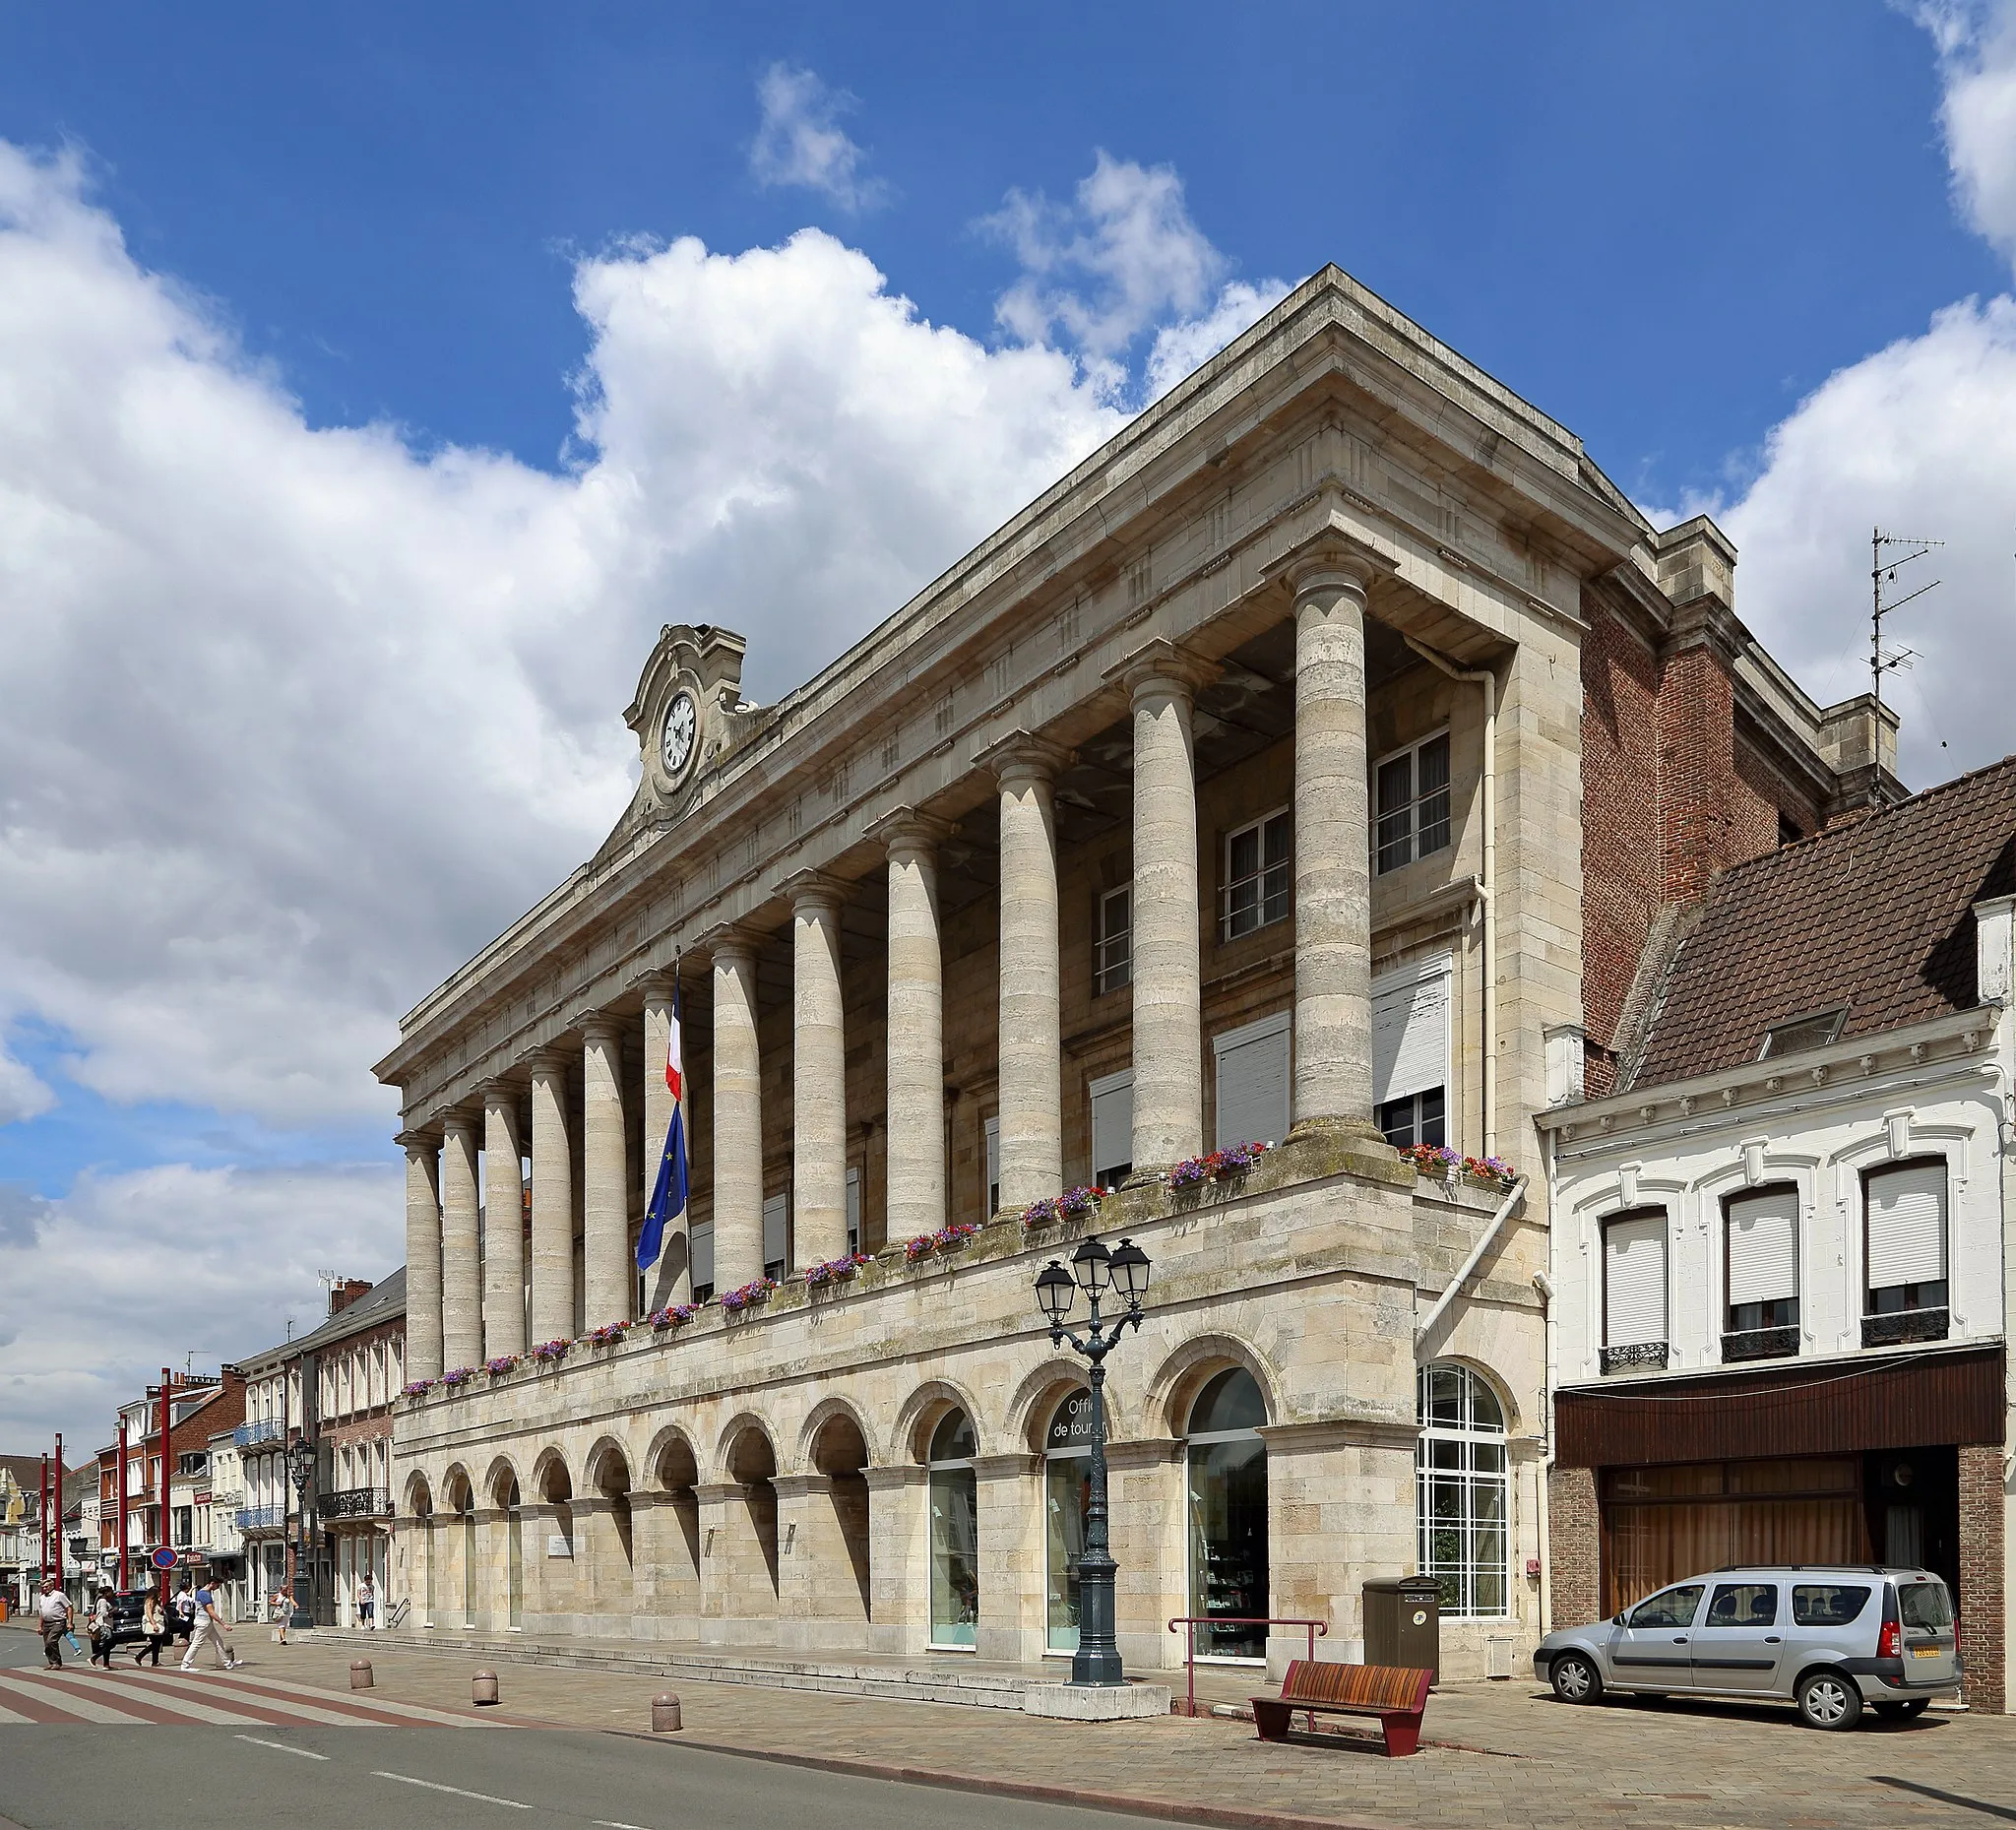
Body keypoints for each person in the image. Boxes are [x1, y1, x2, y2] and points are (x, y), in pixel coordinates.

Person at [179, 1579, 237, 1672]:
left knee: (218, 1642)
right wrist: (224, 1624)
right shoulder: (205, 1595)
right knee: (196, 1644)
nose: (217, 1588)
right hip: (204, 1622)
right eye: (217, 1586)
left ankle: (227, 1663)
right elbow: (211, 1612)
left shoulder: (201, 1592)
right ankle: (185, 1665)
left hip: (205, 1622)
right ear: (212, 1583)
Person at [35, 1578, 73, 1669]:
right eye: (43, 1587)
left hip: (58, 1622)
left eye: (46, 1586)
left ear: (52, 1586)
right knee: (47, 1644)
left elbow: (69, 1608)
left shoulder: (59, 1595)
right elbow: (42, 1612)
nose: (45, 1589)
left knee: (51, 1641)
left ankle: (57, 1662)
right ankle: (52, 1662)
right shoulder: (42, 1598)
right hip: (46, 1623)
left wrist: (70, 1623)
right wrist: (40, 1626)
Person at [135, 1593, 167, 1667]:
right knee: (155, 1643)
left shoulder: (157, 1602)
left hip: (159, 1623)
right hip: (154, 1624)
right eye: (159, 1593)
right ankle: (141, 1656)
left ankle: (154, 1661)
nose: (161, 1595)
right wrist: (154, 1624)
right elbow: (149, 1613)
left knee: (156, 1643)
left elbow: (160, 1611)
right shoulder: (150, 1601)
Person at [88, 1591, 114, 1669]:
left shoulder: (102, 1601)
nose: (112, 1594)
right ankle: (94, 1658)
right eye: (111, 1592)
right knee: (111, 1643)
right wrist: (113, 1610)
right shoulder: (103, 1601)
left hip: (107, 1625)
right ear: (106, 1593)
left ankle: (106, 1664)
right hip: (104, 1625)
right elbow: (103, 1613)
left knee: (107, 1644)